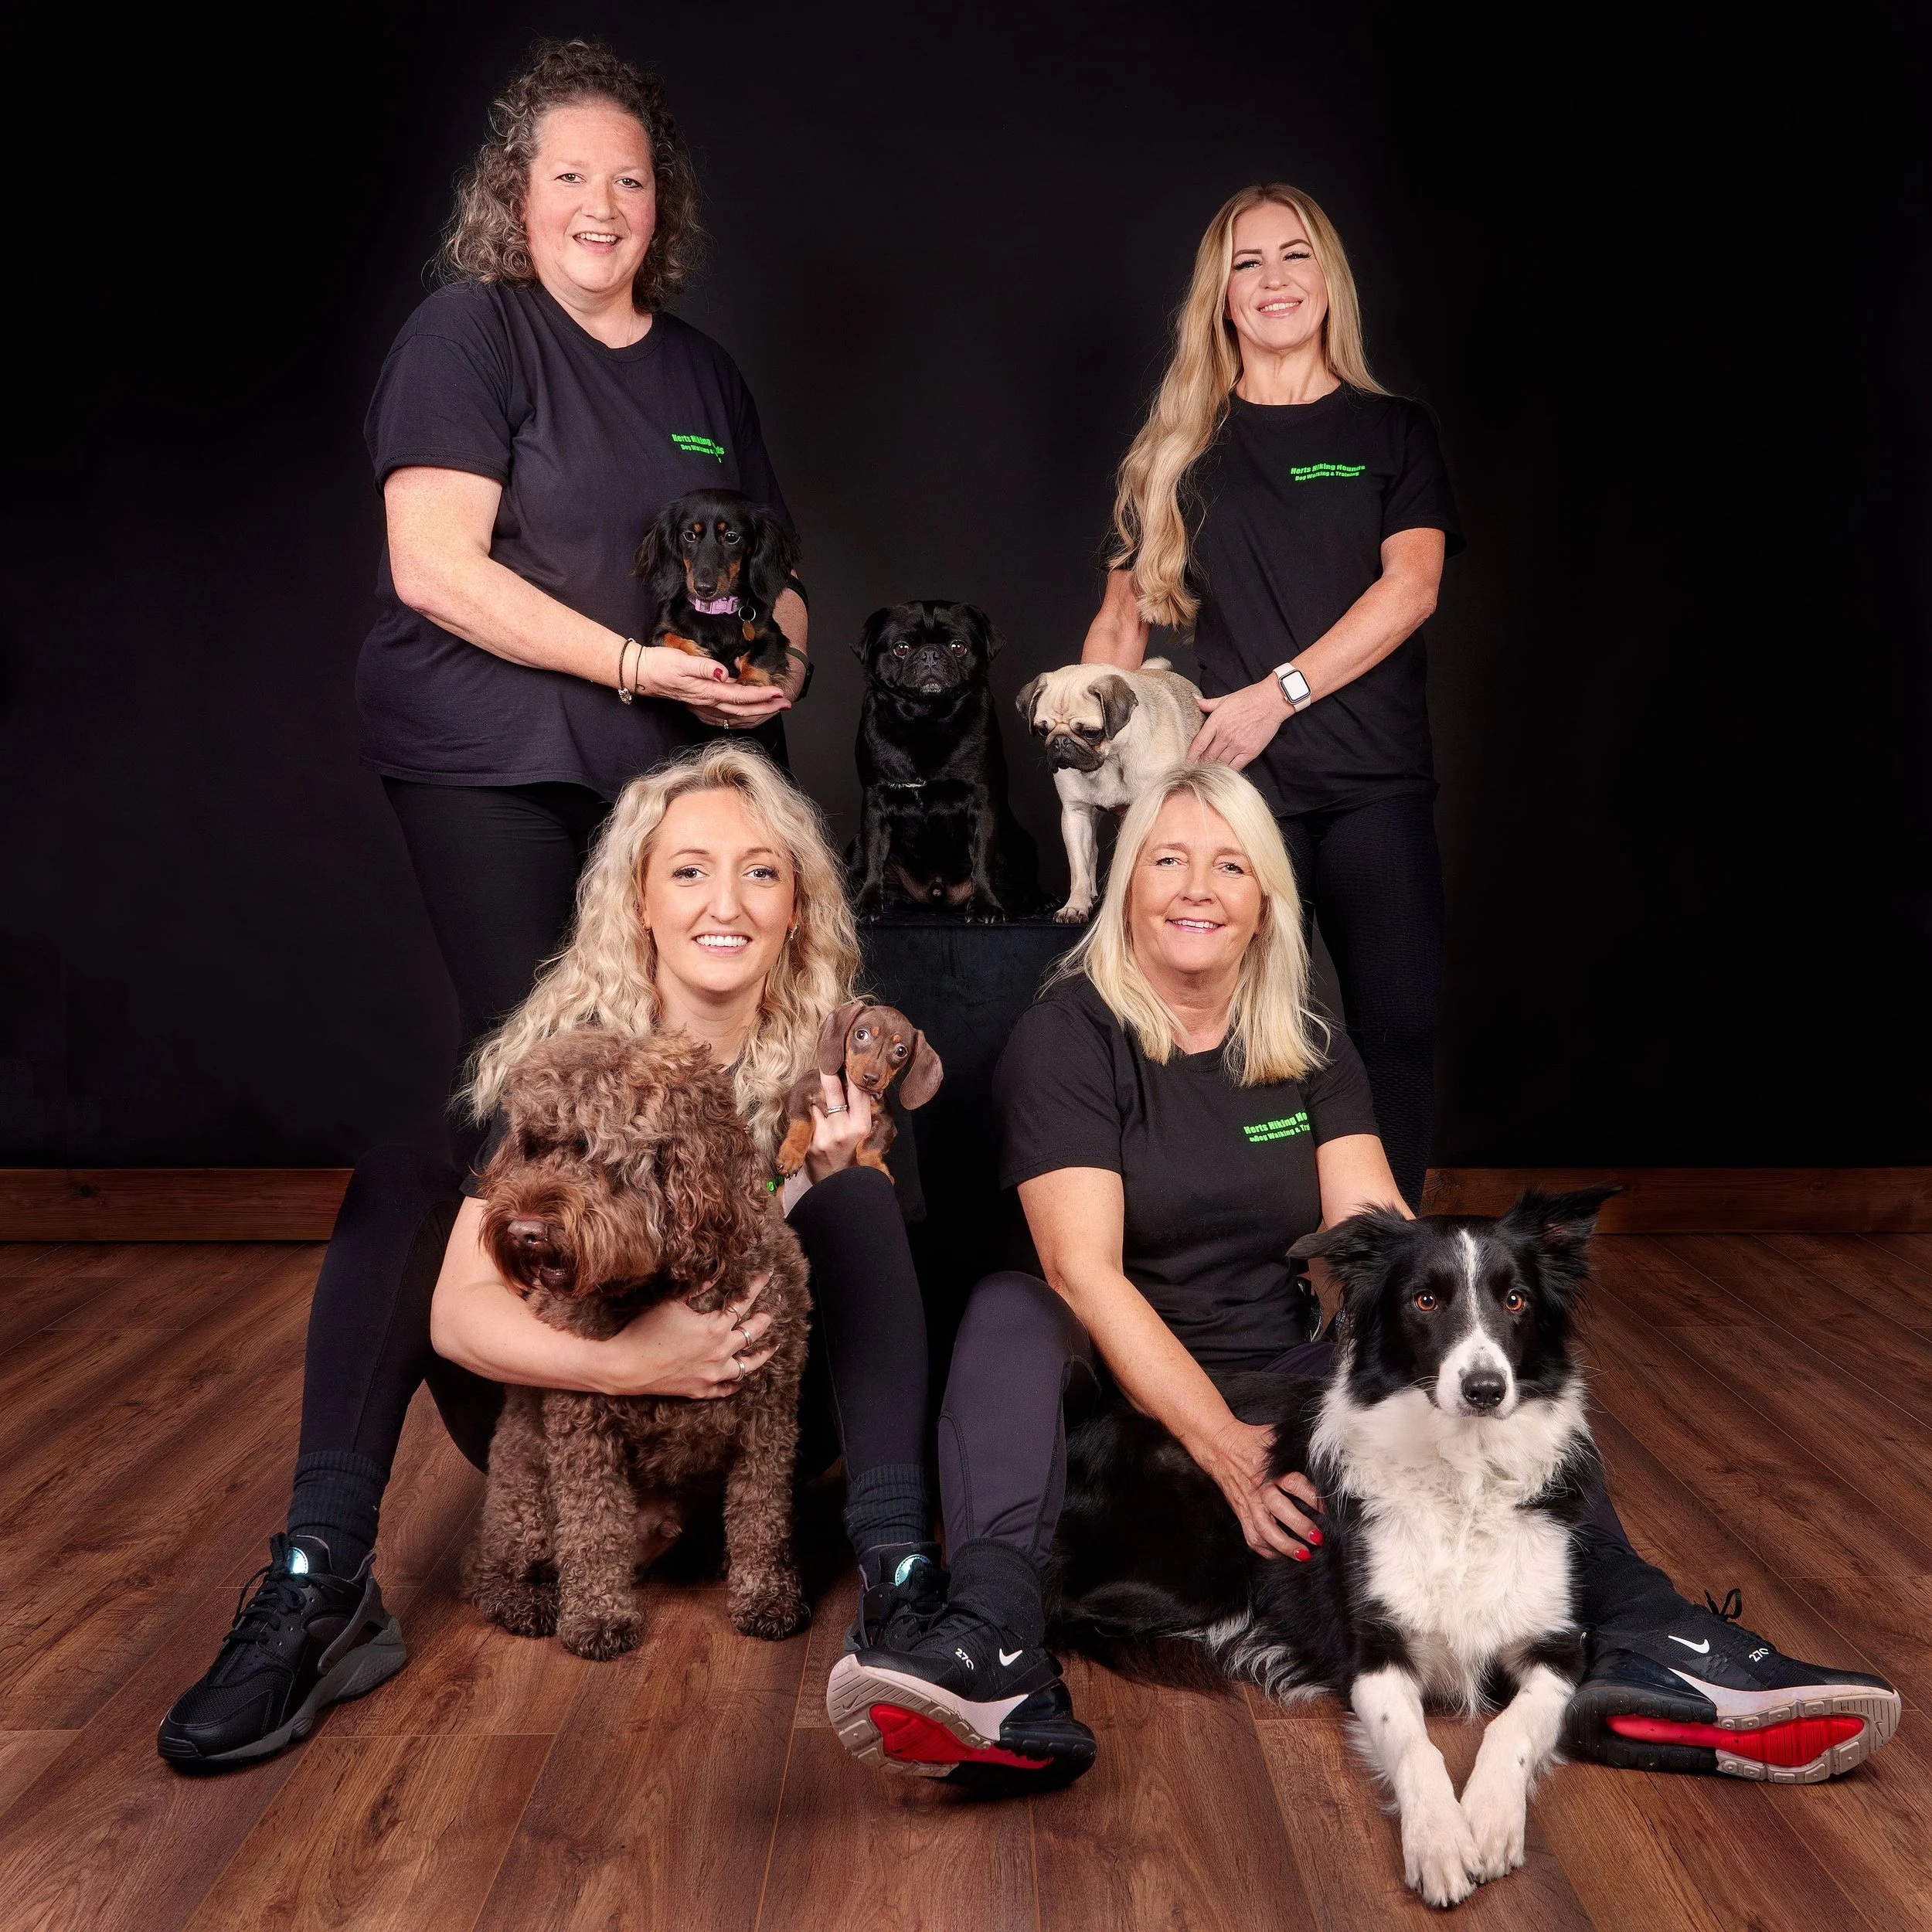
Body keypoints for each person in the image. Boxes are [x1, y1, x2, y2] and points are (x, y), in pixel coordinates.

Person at [831, 762, 1899, 1788]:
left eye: (1231, 866)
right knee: (1010, 1304)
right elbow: (1086, 1273)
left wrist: (1461, 1355)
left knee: (1500, 1370)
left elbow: (1384, 1245)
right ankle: (990, 1646)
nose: (1198, 888)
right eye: (1167, 862)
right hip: (1115, 1382)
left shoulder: (1305, 1043)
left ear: (1265, 903)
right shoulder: (1071, 1036)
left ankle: (1645, 1633)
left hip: (1284, 1371)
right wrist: (1233, 1459)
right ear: (1127, 888)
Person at [158, 746, 938, 1768]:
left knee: (857, 1202)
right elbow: (455, 1311)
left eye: (761, 871)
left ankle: (905, 1587)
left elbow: (855, 1299)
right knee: (399, 1185)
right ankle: (320, 1582)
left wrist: (838, 1174)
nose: (728, 901)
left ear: (797, 908)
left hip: (761, 1438)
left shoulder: (846, 1057)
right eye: (690, 869)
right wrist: (627, 1364)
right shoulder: (569, 1061)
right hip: (579, 1433)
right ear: (641, 905)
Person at [358, 39, 810, 1121]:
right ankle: (485, 1289)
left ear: (662, 202)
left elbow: (784, 576)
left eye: (629, 179)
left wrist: (778, 664)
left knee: (688, 1069)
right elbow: (432, 568)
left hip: (678, 778)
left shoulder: (704, 369)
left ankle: (671, 1292)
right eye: (569, 177)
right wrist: (637, 667)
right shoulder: (469, 333)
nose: (599, 206)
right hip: (500, 764)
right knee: (548, 1067)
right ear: (516, 194)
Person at [1082, 182, 1457, 1207]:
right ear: (1221, 296)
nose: (1275, 278)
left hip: (1375, 782)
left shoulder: (1394, 433)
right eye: (1248, 262)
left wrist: (1276, 693)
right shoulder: (1179, 448)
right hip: (1234, 792)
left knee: (1396, 1029)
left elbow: (1412, 590)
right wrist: (1097, 769)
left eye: (1294, 255)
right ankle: (1265, 1271)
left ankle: (1389, 1272)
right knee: (1252, 1031)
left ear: (1328, 279)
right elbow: (1119, 628)